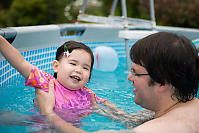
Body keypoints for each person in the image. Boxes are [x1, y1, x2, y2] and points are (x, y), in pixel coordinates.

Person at [36, 32, 199, 133]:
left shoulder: (156, 129)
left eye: (135, 72)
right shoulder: (189, 104)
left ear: (162, 83)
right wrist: (99, 109)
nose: (129, 77)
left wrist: (48, 113)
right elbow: (133, 121)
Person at [0, 36, 119, 122]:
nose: (79, 70)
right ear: (56, 66)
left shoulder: (87, 94)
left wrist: (125, 116)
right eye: (73, 63)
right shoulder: (47, 82)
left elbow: (107, 105)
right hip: (43, 125)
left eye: (85, 68)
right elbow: (20, 63)